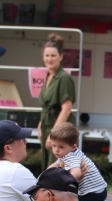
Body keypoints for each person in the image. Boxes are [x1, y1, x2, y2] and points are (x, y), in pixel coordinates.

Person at [38, 33, 78, 172]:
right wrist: (40, 126)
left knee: (57, 168)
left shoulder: (64, 77)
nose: (50, 59)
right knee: (47, 166)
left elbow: (66, 108)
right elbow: (46, 106)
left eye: (53, 55)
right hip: (47, 124)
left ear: (61, 56)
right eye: (47, 55)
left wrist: (53, 134)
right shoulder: (48, 76)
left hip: (60, 129)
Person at [48, 122, 108, 201]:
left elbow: (76, 173)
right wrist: (46, 174)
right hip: (100, 191)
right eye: (53, 146)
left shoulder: (72, 156)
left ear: (73, 147)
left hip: (92, 194)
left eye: (61, 147)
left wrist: (62, 183)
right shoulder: (66, 153)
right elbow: (55, 165)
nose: (56, 150)